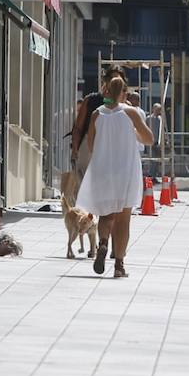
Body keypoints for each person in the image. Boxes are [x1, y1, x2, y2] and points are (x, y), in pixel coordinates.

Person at [76, 76, 154, 278]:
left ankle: (102, 243)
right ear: (124, 93)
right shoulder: (131, 113)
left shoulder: (97, 114)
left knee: (106, 215)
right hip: (125, 169)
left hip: (103, 169)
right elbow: (150, 139)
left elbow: (91, 144)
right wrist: (134, 134)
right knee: (123, 220)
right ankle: (119, 265)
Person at [70, 66, 125, 179]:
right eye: (114, 81)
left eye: (119, 83)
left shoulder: (125, 107)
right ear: (107, 81)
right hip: (89, 149)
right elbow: (78, 127)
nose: (116, 86)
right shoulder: (92, 100)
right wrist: (75, 149)